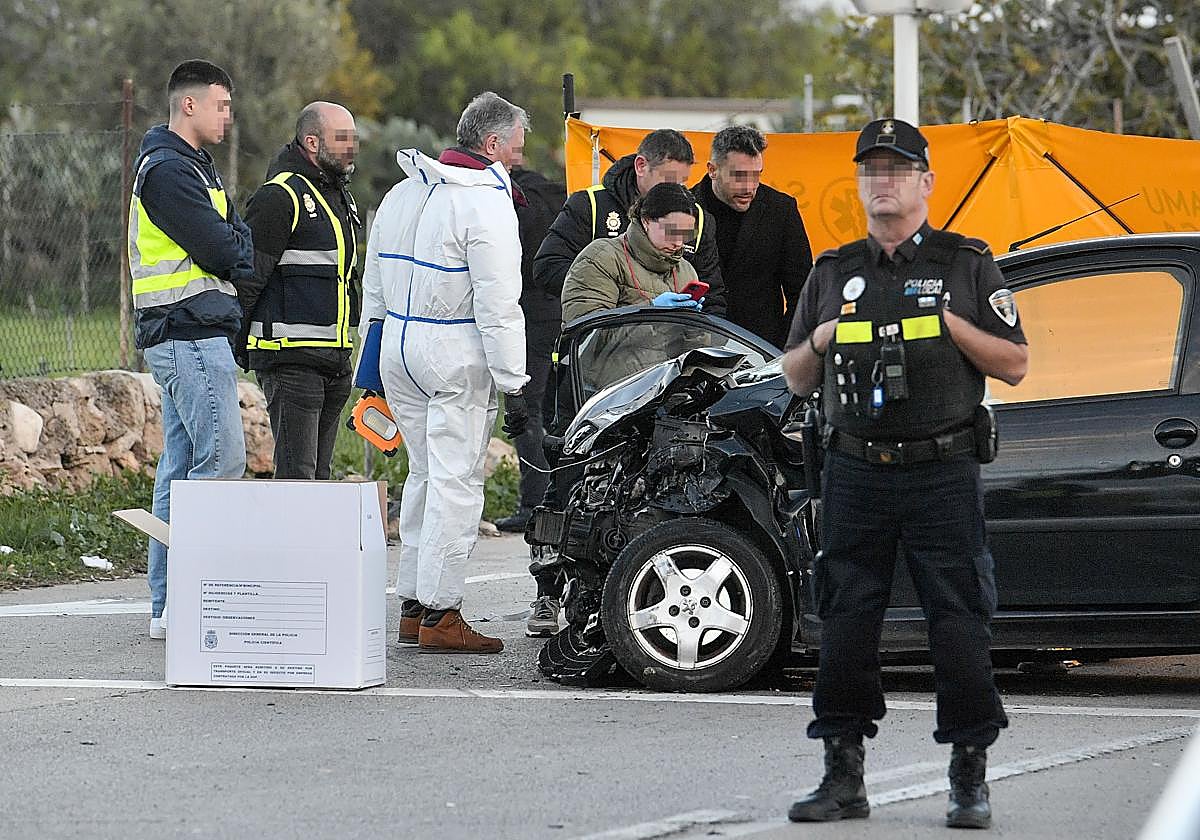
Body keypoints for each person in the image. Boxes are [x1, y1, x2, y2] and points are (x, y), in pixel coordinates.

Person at [780, 118, 1028, 829]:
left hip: (941, 471)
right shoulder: (832, 272)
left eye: (896, 169)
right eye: (870, 171)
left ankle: (969, 776)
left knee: (959, 622)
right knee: (846, 622)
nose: (881, 182)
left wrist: (956, 329)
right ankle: (842, 773)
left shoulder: (965, 264)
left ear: (925, 182)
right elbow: (795, 377)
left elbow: (1014, 362)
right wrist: (820, 341)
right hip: (854, 471)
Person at [360, 91, 531, 654]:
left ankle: (413, 604)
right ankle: (442, 611)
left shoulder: (404, 192)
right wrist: (514, 381)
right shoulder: (485, 204)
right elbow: (499, 302)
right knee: (456, 483)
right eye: (516, 150)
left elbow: (374, 288)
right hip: (454, 351)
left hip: (398, 350)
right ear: (492, 145)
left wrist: (371, 362)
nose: (520, 161)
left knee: (424, 476)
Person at [128, 60, 252, 640]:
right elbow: (224, 250)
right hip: (189, 331)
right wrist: (234, 245)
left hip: (187, 332)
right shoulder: (170, 172)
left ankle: (167, 605)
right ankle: (193, 600)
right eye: (222, 105)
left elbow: (231, 240)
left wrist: (234, 242)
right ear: (189, 105)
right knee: (221, 463)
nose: (229, 115)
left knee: (180, 468)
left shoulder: (188, 167)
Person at [239, 102, 362, 480]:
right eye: (342, 139)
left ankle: (314, 542)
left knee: (318, 480)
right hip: (291, 362)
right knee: (296, 478)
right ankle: (287, 542)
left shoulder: (340, 197)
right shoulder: (279, 196)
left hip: (334, 361)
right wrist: (236, 345)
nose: (352, 147)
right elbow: (249, 278)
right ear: (312, 142)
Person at [534, 128, 726, 317]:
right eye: (668, 180)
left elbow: (713, 293)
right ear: (641, 166)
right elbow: (547, 267)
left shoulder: (698, 218)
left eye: (682, 182)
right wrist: (623, 298)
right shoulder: (591, 205)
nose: (674, 189)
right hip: (604, 328)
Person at [691, 125, 812, 349]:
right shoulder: (686, 209)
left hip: (763, 350)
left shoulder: (781, 210)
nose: (749, 187)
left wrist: (781, 350)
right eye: (739, 176)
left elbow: (803, 293)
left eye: (756, 175)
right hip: (695, 348)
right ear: (712, 170)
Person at [494, 167, 566, 536]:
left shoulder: (509, 198)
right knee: (556, 409)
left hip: (525, 313)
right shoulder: (557, 193)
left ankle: (532, 504)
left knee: (526, 408)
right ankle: (559, 499)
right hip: (558, 313)